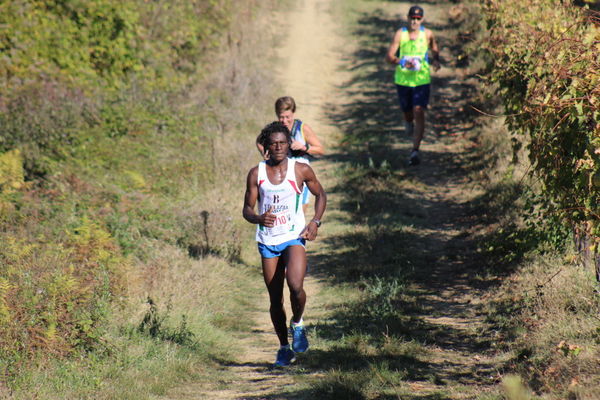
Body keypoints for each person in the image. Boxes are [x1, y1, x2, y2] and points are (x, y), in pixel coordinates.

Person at [244, 121, 327, 367]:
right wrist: (258, 218)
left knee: (296, 285)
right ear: (267, 147)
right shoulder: (256, 174)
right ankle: (283, 347)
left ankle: (298, 324)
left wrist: (315, 222)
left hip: (293, 236)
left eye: (283, 143)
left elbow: (320, 194)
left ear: (289, 144)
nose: (278, 147)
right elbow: (247, 209)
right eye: (274, 144)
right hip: (268, 241)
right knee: (274, 298)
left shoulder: (301, 170)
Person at [385, 5, 440, 166]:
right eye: (412, 18)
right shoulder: (400, 34)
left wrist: (436, 59)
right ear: (407, 18)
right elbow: (389, 56)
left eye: (418, 19)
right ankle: (407, 122)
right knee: (408, 113)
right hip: (403, 80)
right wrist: (400, 61)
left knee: (419, 111)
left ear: (421, 19)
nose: (415, 21)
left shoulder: (427, 34)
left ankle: (415, 151)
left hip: (422, 80)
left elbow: (434, 47)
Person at [256, 96, 325, 213]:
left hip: (300, 172)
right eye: (281, 117)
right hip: (279, 172)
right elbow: (259, 141)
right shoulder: (275, 129)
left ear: (293, 113)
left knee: (300, 209)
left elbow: (320, 149)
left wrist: (304, 147)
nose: (284, 121)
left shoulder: (302, 129)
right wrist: (265, 152)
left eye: (288, 117)